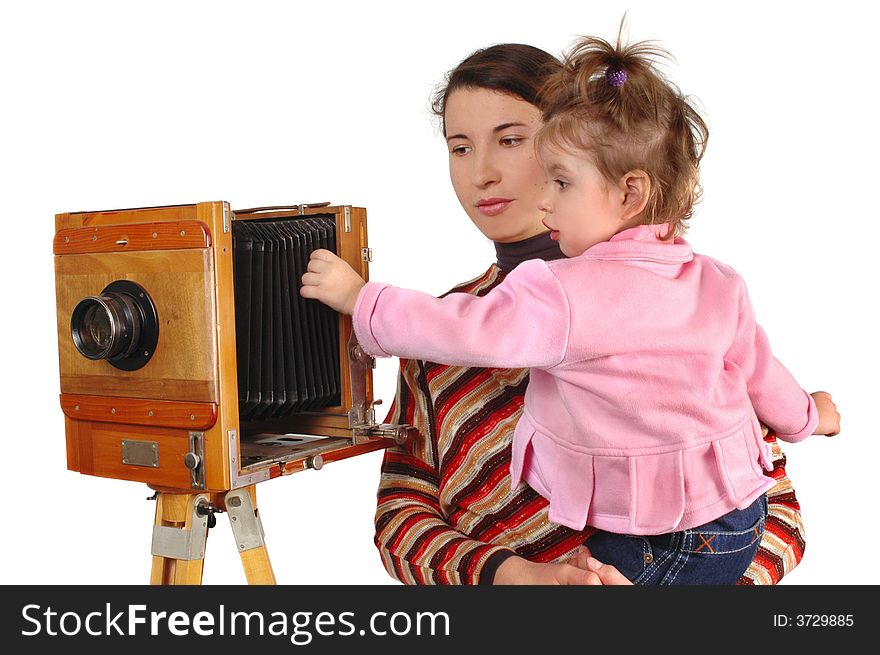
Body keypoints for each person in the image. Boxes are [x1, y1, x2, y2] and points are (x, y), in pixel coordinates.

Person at [306, 40, 831, 584]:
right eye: (459, 148)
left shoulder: (671, 304)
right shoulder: (433, 328)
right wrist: (511, 577)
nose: (481, 172)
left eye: (511, 141)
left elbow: (772, 513)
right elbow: (401, 515)